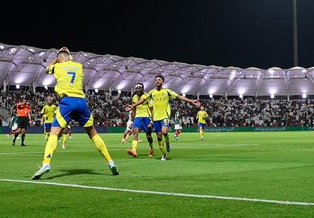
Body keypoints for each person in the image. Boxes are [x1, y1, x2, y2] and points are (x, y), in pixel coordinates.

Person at [32, 47, 118, 180]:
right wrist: (67, 54)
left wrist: (57, 57)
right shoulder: (78, 66)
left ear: (60, 59)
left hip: (67, 101)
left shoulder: (58, 67)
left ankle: (46, 163)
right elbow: (68, 60)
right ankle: (110, 161)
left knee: (54, 134)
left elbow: (47, 69)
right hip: (82, 102)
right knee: (93, 133)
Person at [128, 75, 199, 161]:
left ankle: (167, 142)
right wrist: (133, 105)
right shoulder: (151, 92)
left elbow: (179, 97)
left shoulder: (167, 91)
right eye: (156, 80)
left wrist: (191, 101)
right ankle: (164, 154)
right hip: (156, 118)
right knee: (159, 137)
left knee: (164, 132)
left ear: (162, 81)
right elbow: (142, 100)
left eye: (159, 80)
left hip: (164, 116)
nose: (157, 81)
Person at [125, 83, 155, 158]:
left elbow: (152, 109)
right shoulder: (134, 97)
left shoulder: (147, 96)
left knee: (148, 136)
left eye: (139, 88)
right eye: (137, 88)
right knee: (135, 133)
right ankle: (134, 151)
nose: (138, 89)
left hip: (146, 117)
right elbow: (134, 110)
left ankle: (151, 148)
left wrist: (151, 121)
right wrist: (132, 120)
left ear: (142, 88)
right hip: (138, 117)